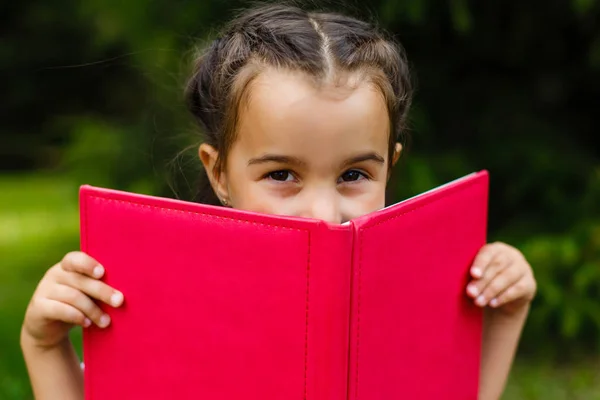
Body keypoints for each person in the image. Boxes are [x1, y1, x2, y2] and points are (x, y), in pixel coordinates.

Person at [20, 4, 536, 399]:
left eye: (354, 174)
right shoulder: (160, 299)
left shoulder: (410, 293)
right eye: (282, 174)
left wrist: (503, 313)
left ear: (390, 166)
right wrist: (45, 346)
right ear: (218, 171)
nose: (323, 212)